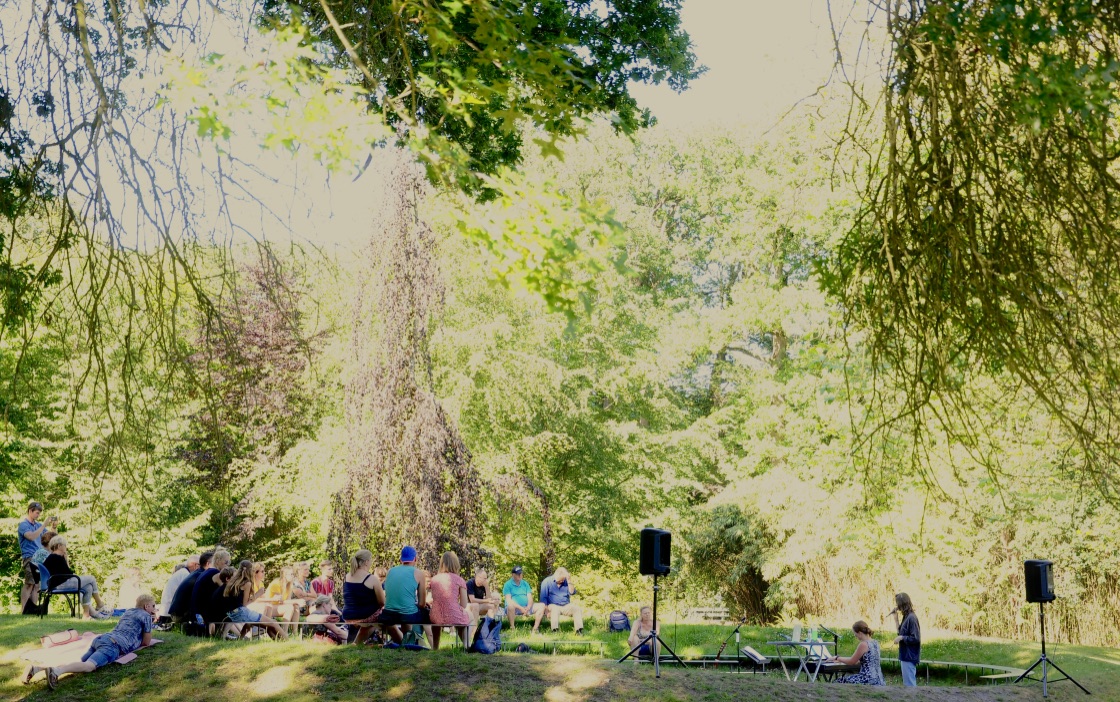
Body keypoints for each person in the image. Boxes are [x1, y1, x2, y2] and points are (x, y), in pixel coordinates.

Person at [26, 593, 157, 690]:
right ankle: (56, 672)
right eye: (153, 606)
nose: (154, 608)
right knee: (89, 666)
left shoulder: (129, 612)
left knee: (80, 664)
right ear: (146, 606)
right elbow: (146, 642)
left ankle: (37, 668)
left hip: (101, 638)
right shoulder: (146, 616)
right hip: (112, 645)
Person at [42, 535, 110, 619]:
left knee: (88, 587)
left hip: (61, 582)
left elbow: (66, 572)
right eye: (65, 545)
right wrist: (66, 560)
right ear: (59, 546)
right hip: (60, 584)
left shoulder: (54, 557)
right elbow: (69, 573)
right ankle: (99, 604)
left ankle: (86, 615)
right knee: (92, 578)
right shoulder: (56, 557)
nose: (66, 547)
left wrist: (66, 559)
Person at [217, 560, 286, 640]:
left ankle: (240, 639)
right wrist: (258, 594)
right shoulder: (247, 583)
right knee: (274, 623)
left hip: (232, 613)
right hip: (240, 612)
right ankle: (288, 642)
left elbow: (236, 600)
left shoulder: (234, 581)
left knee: (268, 625)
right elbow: (245, 604)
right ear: (250, 571)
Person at [378, 546, 431, 644]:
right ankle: (418, 641)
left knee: (405, 612)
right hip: (408, 615)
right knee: (422, 612)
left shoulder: (390, 571)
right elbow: (421, 604)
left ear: (401, 559)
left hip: (388, 615)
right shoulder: (418, 573)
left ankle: (405, 641)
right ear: (415, 559)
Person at [18, 501, 58, 611]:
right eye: (36, 512)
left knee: (37, 585)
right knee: (29, 584)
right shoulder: (23, 525)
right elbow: (31, 536)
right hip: (29, 556)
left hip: (40, 557)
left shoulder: (38, 525)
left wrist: (53, 528)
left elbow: (52, 538)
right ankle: (24, 609)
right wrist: (44, 525)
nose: (38, 515)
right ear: (30, 511)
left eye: (39, 513)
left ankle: (33, 609)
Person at [428, 551, 472, 649]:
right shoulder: (460, 580)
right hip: (453, 615)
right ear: (456, 564)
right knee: (465, 616)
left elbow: (432, 598)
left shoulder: (434, 579)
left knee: (436, 620)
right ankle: (466, 644)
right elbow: (464, 604)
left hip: (436, 616)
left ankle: (435, 647)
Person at [341, 549, 385, 644]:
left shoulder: (346, 576)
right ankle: (402, 642)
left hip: (348, 615)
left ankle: (358, 641)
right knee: (387, 616)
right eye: (371, 560)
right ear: (366, 562)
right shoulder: (372, 578)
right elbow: (382, 602)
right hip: (364, 616)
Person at [828, 620, 885, 686]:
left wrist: (837, 658)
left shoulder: (863, 644)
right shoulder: (875, 642)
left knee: (839, 681)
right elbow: (858, 660)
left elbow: (852, 661)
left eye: (855, 634)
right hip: (879, 679)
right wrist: (840, 659)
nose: (855, 636)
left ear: (860, 633)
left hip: (867, 678)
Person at [533, 567, 583, 635]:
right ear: (556, 575)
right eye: (561, 579)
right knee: (555, 609)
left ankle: (579, 631)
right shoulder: (547, 582)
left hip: (566, 605)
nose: (562, 581)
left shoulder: (566, 581)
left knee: (577, 608)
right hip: (552, 605)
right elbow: (543, 599)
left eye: (563, 579)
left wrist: (569, 581)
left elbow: (572, 592)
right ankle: (555, 630)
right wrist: (546, 611)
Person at [189, 548, 231, 626]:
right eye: (226, 562)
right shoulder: (216, 574)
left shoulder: (208, 571)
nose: (228, 565)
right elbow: (227, 592)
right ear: (218, 561)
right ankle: (241, 635)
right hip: (203, 613)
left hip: (196, 612)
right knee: (231, 611)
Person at [167, 551, 213, 622]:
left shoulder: (196, 573)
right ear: (208, 563)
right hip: (180, 615)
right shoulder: (201, 575)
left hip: (175, 613)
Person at [892, 592, 921, 687]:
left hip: (910, 656)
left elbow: (916, 638)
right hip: (905, 655)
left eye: (898, 604)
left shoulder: (912, 618)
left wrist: (902, 638)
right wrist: (896, 620)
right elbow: (900, 632)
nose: (897, 606)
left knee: (910, 685)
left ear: (902, 604)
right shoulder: (906, 616)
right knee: (907, 684)